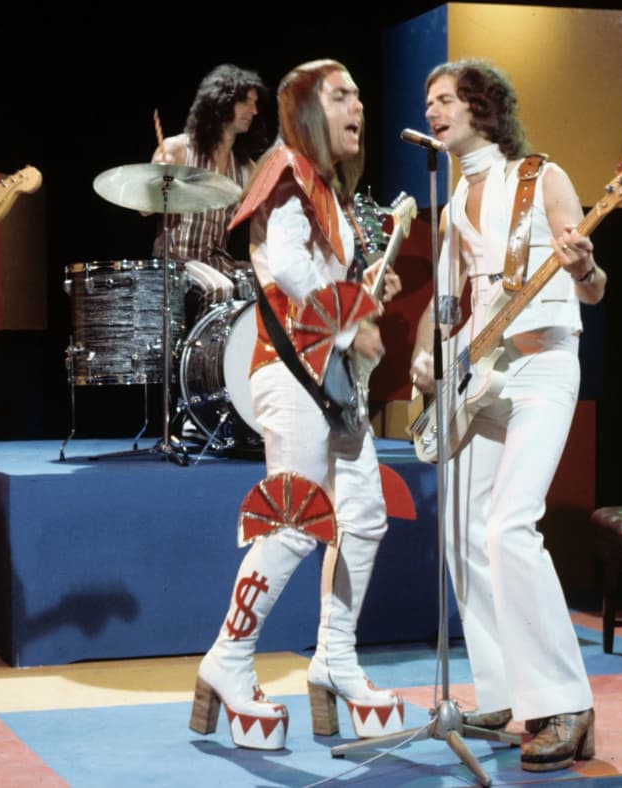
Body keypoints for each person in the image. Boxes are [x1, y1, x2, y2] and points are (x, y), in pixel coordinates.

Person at [188, 59, 404, 750]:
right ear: (308, 109)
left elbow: (318, 275)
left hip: (327, 379)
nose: (358, 107)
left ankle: (335, 659)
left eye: (360, 95)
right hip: (291, 372)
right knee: (294, 522)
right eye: (341, 96)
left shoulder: (326, 189)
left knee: (362, 517)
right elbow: (285, 265)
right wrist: (350, 317)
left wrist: (365, 291)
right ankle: (228, 659)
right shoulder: (287, 169)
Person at [409, 58, 604, 772]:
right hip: (481, 374)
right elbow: (449, 303)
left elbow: (594, 288)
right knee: (463, 529)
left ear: (481, 107)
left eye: (444, 99)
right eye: (428, 101)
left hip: (543, 364)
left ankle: (567, 703)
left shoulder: (540, 177)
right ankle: (500, 690)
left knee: (508, 524)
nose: (431, 111)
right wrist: (428, 354)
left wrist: (582, 266)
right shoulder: (455, 201)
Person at [150, 63, 270, 325]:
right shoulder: (178, 150)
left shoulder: (246, 169)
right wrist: (162, 180)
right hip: (176, 262)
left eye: (255, 103)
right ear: (222, 102)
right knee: (219, 288)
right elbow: (144, 208)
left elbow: (264, 221)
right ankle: (200, 351)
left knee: (267, 283)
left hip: (217, 260)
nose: (254, 110)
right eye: (246, 102)